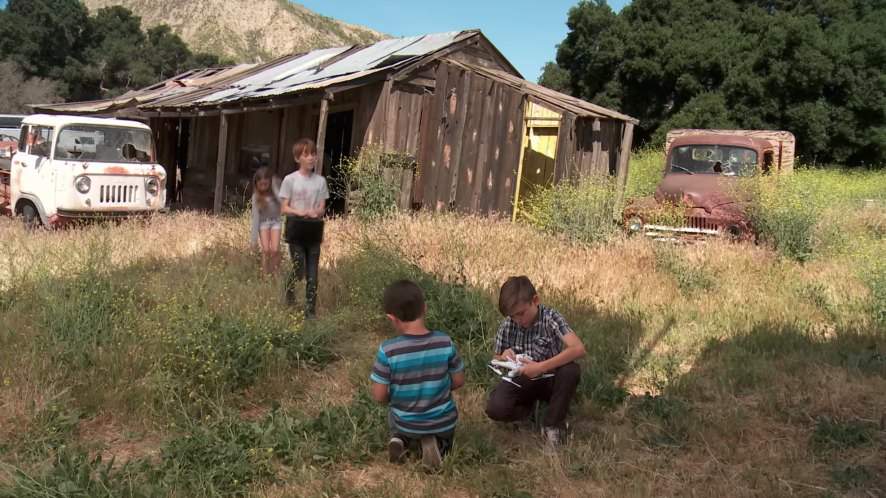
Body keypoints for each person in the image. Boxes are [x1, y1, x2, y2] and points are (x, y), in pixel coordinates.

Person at [369, 280, 465, 470]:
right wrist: (440, 386)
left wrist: (396, 396)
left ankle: (399, 438)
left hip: (407, 422)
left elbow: (379, 396)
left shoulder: (388, 350)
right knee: (444, 429)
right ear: (425, 308)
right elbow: (459, 381)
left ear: (391, 318)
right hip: (443, 421)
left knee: (394, 414)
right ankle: (439, 444)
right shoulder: (444, 342)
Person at [485, 276, 585, 450]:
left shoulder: (550, 317)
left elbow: (578, 348)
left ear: (535, 301)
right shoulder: (508, 325)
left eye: (521, 313)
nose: (518, 320)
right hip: (521, 379)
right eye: (513, 316)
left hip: (549, 377)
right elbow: (498, 356)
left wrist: (540, 367)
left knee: (571, 370)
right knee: (495, 409)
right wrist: (504, 356)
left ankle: (553, 426)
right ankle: (527, 413)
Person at [279, 138, 328, 317]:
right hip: (295, 229)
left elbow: (322, 208)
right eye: (306, 154)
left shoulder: (321, 182)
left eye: (313, 154)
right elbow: (284, 208)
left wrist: (316, 212)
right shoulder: (290, 180)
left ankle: (310, 313)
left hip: (314, 230)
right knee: (299, 270)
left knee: (313, 276)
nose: (311, 158)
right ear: (297, 158)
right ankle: (289, 293)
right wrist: (299, 212)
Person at [250, 167, 282, 275]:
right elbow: (255, 218)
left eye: (266, 184)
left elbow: (283, 204)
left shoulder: (275, 194)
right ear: (257, 185)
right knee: (266, 250)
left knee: (275, 249)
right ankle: (265, 275)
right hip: (263, 223)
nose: (263, 187)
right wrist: (253, 240)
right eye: (261, 185)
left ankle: (275, 273)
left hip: (276, 222)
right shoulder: (256, 197)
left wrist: (274, 187)